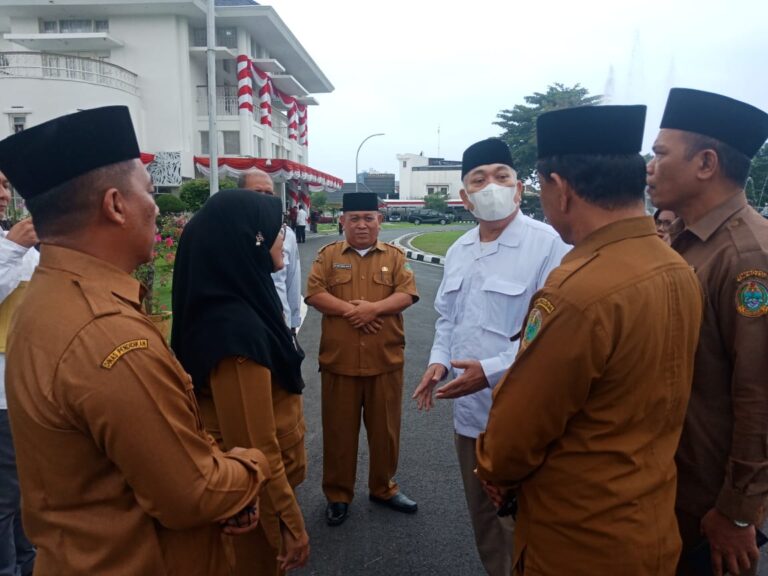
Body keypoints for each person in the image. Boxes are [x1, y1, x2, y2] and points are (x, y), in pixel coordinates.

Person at [0, 106, 270, 576]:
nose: (158, 207)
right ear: (115, 205)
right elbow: (193, 494)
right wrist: (252, 465)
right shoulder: (106, 334)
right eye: (149, 192)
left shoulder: (47, 296)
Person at [475, 105, 704, 575]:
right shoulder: (676, 266)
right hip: (650, 522)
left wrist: (493, 469)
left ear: (561, 188)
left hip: (578, 538)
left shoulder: (577, 290)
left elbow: (514, 437)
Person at [412, 138, 569, 576]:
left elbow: (554, 334)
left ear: (519, 188)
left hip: (522, 418)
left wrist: (492, 370)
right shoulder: (460, 250)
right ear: (464, 197)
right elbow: (447, 319)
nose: (492, 185)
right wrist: (438, 362)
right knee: (484, 522)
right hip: (468, 416)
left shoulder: (548, 245)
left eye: (502, 176)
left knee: (523, 528)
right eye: (479, 179)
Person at [646, 88, 768, 576]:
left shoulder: (747, 258)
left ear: (706, 163)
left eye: (659, 154)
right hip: (668, 483)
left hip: (709, 506)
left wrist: (739, 510)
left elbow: (759, 394)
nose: (649, 167)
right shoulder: (685, 240)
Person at [171, 189, 309, 575]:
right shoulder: (235, 332)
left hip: (255, 492)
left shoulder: (244, 298)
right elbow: (254, 445)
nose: (284, 238)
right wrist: (288, 525)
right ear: (250, 240)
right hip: (252, 502)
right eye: (276, 230)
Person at [306, 192, 419, 526]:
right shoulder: (328, 256)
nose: (361, 225)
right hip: (339, 362)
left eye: (368, 218)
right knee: (338, 433)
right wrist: (352, 311)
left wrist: (373, 309)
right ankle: (338, 494)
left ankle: (384, 487)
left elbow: (407, 293)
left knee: (385, 431)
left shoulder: (396, 257)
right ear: (342, 221)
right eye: (354, 218)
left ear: (379, 221)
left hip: (384, 361)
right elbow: (314, 293)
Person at [0, 171, 38, 576]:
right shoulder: (11, 247)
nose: (3, 194)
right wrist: (11, 251)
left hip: (26, 391)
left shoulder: (17, 246)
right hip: (2, 400)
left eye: (7, 185)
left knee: (27, 496)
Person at [240, 169, 303, 334]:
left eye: (268, 193)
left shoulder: (286, 234)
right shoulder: (230, 232)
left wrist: (294, 323)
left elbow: (292, 280)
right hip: (245, 324)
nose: (263, 197)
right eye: (257, 192)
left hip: (280, 322)